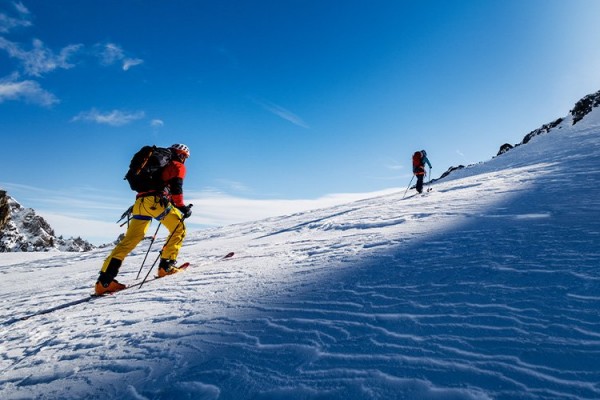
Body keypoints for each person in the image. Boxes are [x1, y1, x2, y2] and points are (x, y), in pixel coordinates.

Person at [95, 143, 193, 295]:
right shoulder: (177, 165)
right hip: (155, 202)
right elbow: (176, 187)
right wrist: (181, 207)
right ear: (181, 155)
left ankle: (104, 282)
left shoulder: (157, 162)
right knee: (178, 229)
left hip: (140, 203)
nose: (185, 160)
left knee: (130, 240)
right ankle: (166, 267)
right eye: (185, 157)